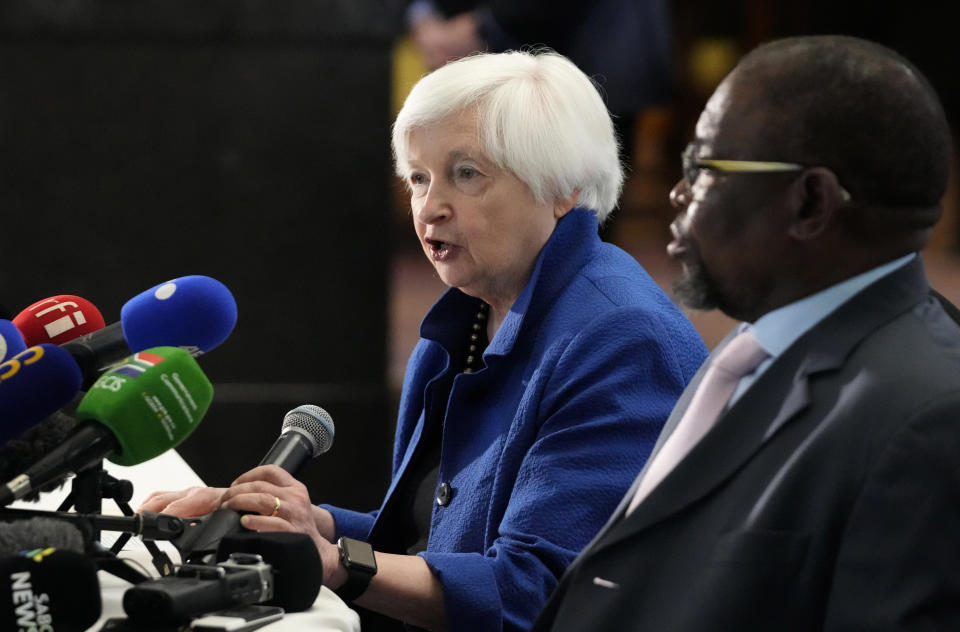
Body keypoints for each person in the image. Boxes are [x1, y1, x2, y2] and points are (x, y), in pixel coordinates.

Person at [140, 50, 706, 631]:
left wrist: (336, 563)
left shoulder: (620, 340)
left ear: (562, 188)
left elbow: (537, 593)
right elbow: (428, 542)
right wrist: (299, 523)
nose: (429, 207)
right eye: (418, 177)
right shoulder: (462, 321)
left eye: (467, 174)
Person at [531, 34, 960, 631]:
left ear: (811, 202)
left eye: (703, 166)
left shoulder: (931, 418)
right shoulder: (753, 346)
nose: (677, 193)